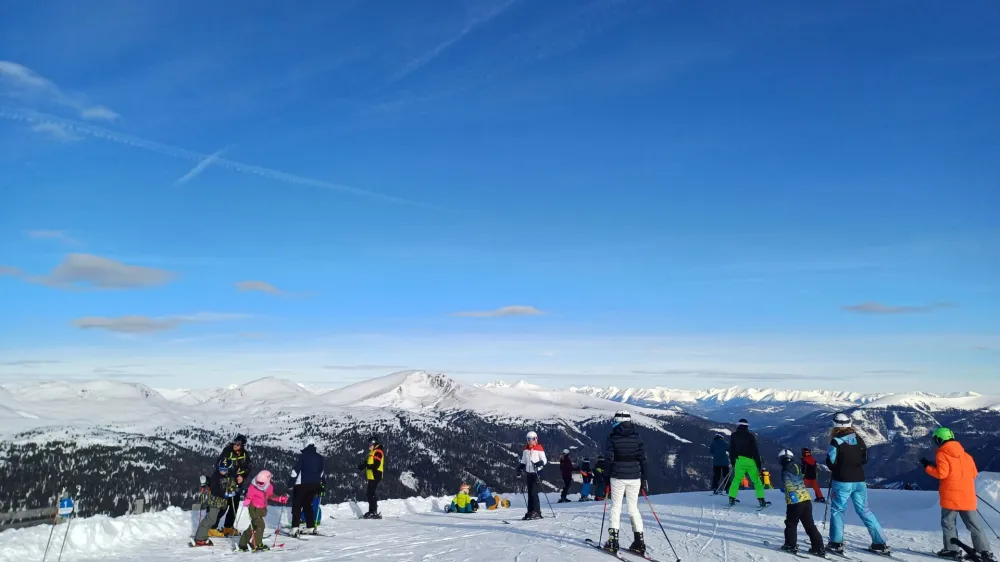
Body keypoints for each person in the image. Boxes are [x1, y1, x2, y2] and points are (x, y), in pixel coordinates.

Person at [922, 427, 996, 561]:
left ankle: (952, 550)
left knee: (948, 522)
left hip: (951, 496)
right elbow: (974, 474)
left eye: (935, 440)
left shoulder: (942, 454)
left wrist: (927, 466)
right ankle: (984, 551)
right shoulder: (967, 456)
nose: (935, 443)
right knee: (974, 525)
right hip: (967, 495)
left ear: (940, 439)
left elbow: (941, 474)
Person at [825, 412, 890, 555]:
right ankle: (880, 542)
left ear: (835, 425)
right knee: (865, 510)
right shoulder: (859, 439)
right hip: (860, 480)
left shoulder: (836, 441)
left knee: (838, 510)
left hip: (842, 481)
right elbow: (864, 459)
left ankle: (836, 543)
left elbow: (831, 462)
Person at [602, 410, 648, 556]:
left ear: (617, 421)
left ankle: (613, 542)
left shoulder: (612, 438)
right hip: (635, 476)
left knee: (616, 507)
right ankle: (639, 543)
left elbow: (609, 459)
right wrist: (644, 477)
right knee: (633, 508)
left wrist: (605, 476)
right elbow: (643, 459)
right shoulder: (637, 437)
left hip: (617, 476)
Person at [777, 449, 826, 557]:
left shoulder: (785, 470)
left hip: (795, 502)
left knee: (791, 524)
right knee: (809, 525)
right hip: (806, 500)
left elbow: (789, 485)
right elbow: (798, 481)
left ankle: (790, 545)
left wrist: (793, 497)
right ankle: (818, 547)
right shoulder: (797, 467)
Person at [237, 470, 288, 552]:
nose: (258, 484)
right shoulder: (253, 487)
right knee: (261, 525)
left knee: (253, 527)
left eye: (261, 483)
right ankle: (257, 544)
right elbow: (249, 496)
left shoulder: (269, 487)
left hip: (261, 509)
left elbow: (270, 496)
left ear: (267, 480)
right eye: (258, 482)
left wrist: (279, 498)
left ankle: (242, 544)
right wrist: (247, 500)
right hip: (254, 509)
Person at [191, 461, 238, 546]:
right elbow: (214, 489)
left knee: (213, 519)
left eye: (225, 469)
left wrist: (235, 489)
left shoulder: (229, 475)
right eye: (221, 469)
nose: (222, 471)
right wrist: (225, 493)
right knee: (210, 519)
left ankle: (202, 536)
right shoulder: (216, 476)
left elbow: (232, 485)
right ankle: (200, 538)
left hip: (222, 502)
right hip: (214, 501)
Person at [214, 434, 251, 536]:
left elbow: (248, 467)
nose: (236, 445)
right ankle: (212, 527)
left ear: (242, 445)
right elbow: (219, 465)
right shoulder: (228, 451)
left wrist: (243, 476)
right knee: (223, 506)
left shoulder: (245, 454)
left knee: (233, 506)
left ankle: (228, 528)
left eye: (238, 444)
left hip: (237, 484)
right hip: (226, 482)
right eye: (235, 442)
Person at [288, 437, 325, 536]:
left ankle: (295, 528)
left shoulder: (303, 456)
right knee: (307, 505)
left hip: (302, 484)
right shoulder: (319, 457)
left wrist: (290, 484)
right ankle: (310, 527)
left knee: (297, 506)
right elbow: (321, 473)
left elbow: (295, 471)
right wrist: (323, 485)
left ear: (306, 444)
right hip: (315, 485)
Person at [728, 419, 768, 508]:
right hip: (751, 461)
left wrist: (733, 461)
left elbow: (731, 449)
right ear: (747, 426)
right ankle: (761, 500)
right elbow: (755, 451)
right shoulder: (750, 436)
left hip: (739, 461)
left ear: (739, 425)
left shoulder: (734, 435)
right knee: (756, 481)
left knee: (736, 480)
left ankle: (731, 498)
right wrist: (758, 464)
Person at [517, 430, 548, 520]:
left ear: (536, 439)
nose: (531, 441)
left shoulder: (539, 448)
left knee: (534, 493)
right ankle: (530, 511)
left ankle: (537, 512)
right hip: (529, 473)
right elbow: (523, 461)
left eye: (532, 439)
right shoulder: (526, 450)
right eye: (529, 439)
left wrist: (539, 463)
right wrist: (520, 468)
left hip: (537, 473)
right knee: (530, 493)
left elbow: (544, 460)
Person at [359, 436, 385, 519]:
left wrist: (366, 465)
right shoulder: (373, 452)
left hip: (376, 474)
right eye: (368, 444)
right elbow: (370, 463)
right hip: (372, 475)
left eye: (370, 444)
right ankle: (372, 511)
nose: (369, 446)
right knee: (370, 493)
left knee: (371, 493)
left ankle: (373, 512)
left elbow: (376, 465)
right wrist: (364, 465)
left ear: (374, 444)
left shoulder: (378, 452)